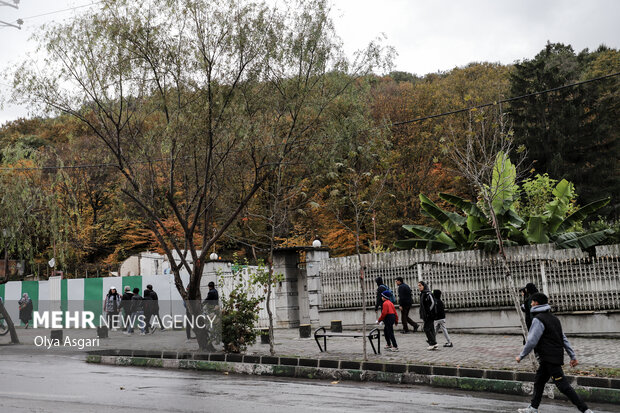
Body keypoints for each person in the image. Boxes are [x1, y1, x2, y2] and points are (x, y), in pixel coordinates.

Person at [515, 292, 594, 413]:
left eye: (531, 302)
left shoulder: (538, 319)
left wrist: (521, 356)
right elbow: (564, 339)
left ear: (536, 303)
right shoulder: (554, 319)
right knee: (539, 381)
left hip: (549, 358)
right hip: (552, 357)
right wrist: (572, 356)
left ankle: (585, 410)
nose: (530, 304)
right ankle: (533, 408)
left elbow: (531, 341)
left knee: (563, 386)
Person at [418, 281, 437, 350]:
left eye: (420, 285)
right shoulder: (422, 294)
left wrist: (429, 313)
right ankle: (434, 343)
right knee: (431, 328)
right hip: (425, 315)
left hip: (429, 315)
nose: (419, 287)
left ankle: (432, 343)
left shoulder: (428, 293)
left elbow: (432, 303)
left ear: (424, 286)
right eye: (418, 286)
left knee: (426, 328)